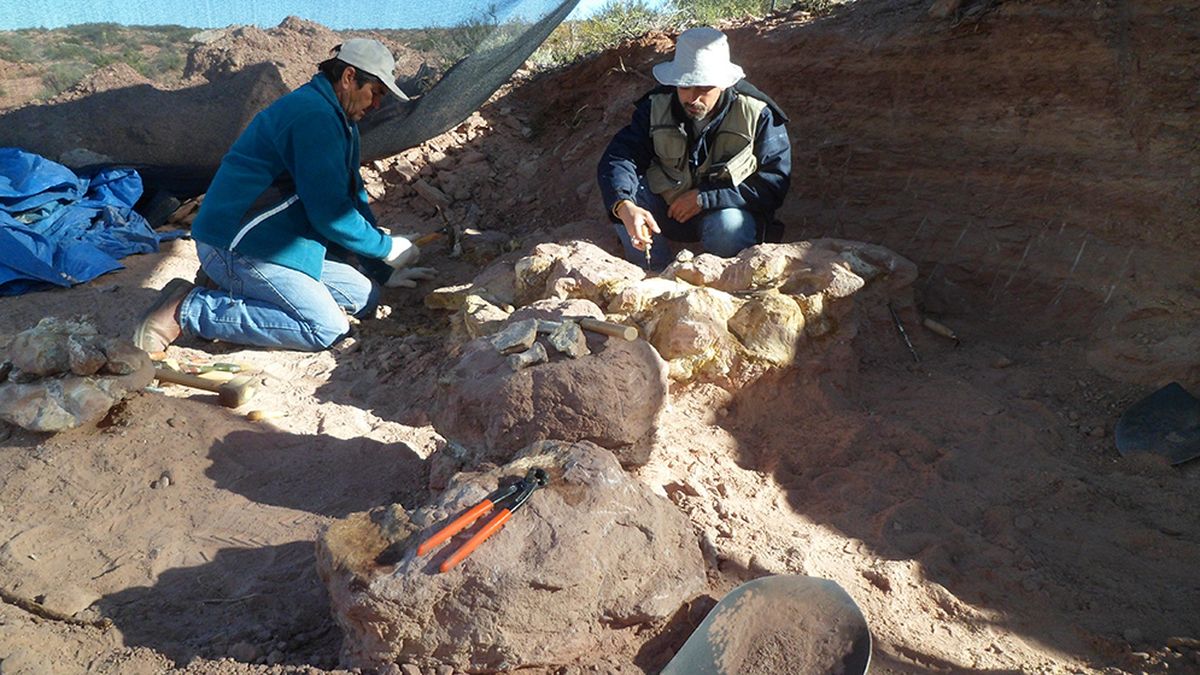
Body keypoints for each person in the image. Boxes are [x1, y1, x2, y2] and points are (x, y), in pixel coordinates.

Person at [133, 38, 434, 353]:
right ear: (348, 78)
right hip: (237, 244)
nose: (376, 105)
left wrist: (382, 268)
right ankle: (188, 309)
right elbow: (330, 213)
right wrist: (385, 247)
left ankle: (225, 284)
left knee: (365, 297)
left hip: (276, 242)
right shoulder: (312, 116)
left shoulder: (339, 122)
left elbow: (353, 199)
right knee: (326, 328)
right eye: (376, 93)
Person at [597, 27, 791, 270]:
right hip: (667, 211)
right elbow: (621, 156)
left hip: (723, 215)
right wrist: (624, 206)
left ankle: (724, 286)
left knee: (728, 226)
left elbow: (774, 183)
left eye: (703, 88)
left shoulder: (759, 114)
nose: (692, 98)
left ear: (723, 84)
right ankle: (652, 276)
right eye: (685, 86)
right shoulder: (656, 106)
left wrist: (705, 198)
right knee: (624, 199)